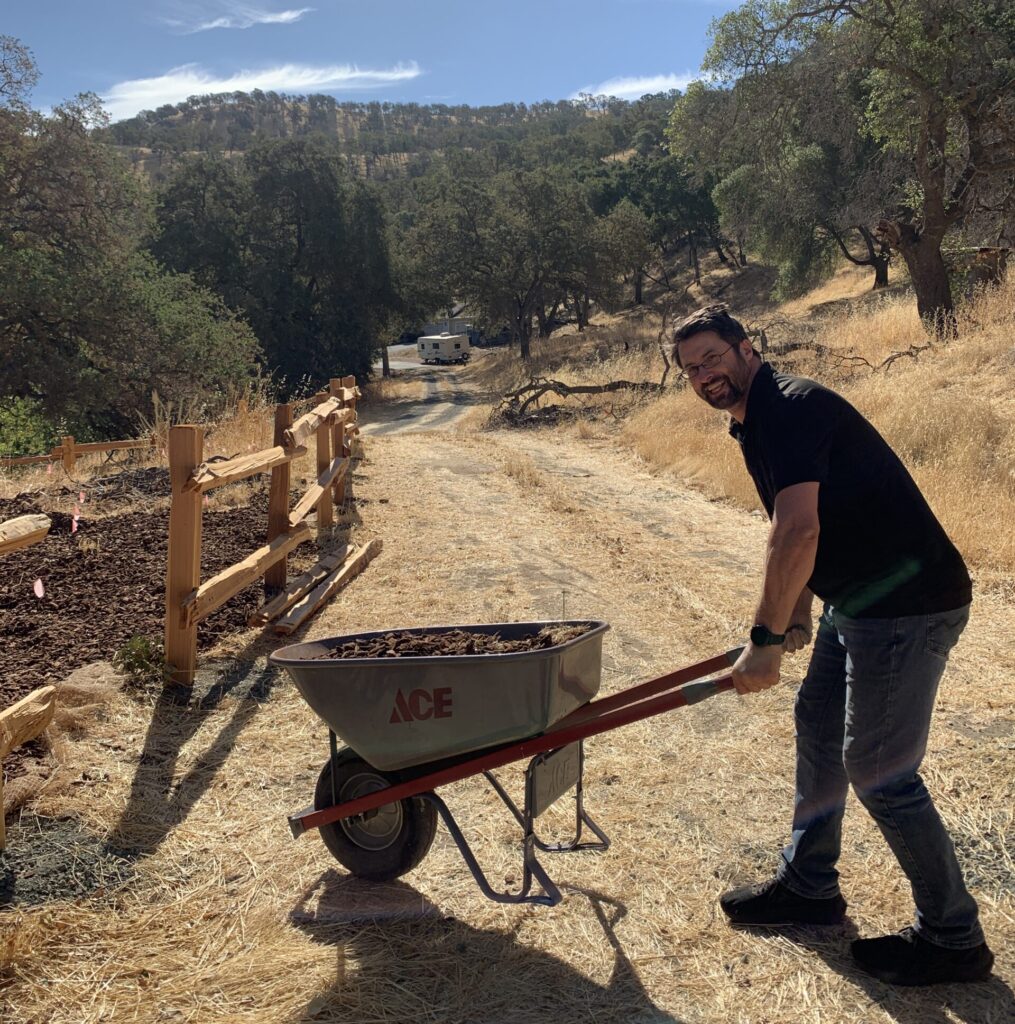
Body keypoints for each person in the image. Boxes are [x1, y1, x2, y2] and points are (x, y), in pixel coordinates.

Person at [671, 303, 993, 986]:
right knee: (817, 725)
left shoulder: (784, 408)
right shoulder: (755, 420)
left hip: (907, 607)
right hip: (861, 602)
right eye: (690, 368)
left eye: (712, 357)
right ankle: (809, 885)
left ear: (744, 347)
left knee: (880, 771)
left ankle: (952, 937)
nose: (703, 374)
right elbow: (825, 517)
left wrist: (763, 639)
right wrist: (796, 613)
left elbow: (795, 533)